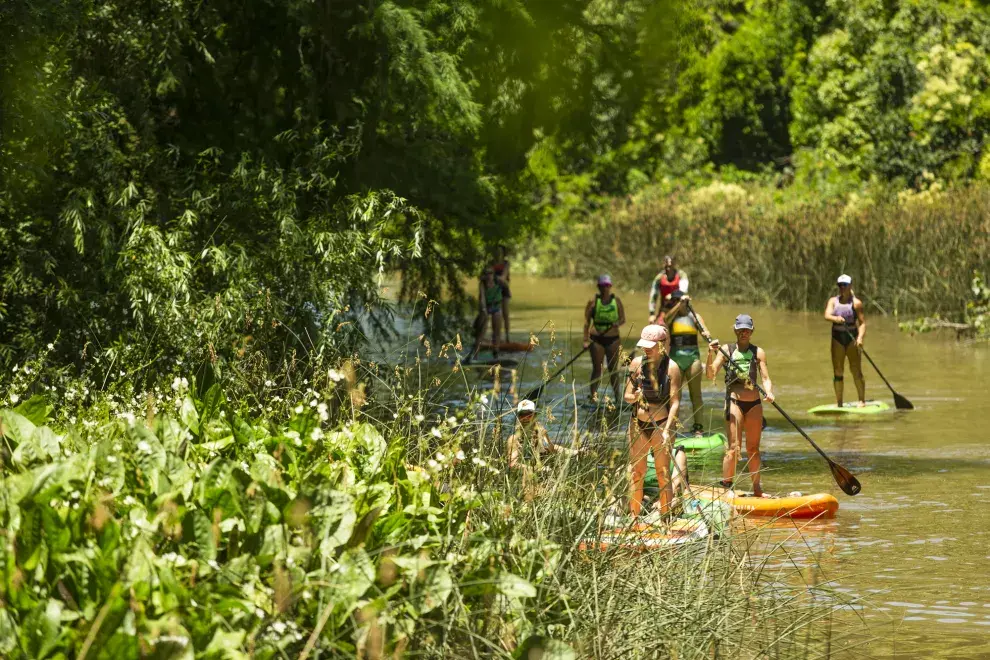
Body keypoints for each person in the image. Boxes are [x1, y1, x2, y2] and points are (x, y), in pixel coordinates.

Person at [705, 314, 775, 497]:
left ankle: (757, 488)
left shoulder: (758, 352)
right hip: (734, 401)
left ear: (752, 331)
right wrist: (709, 353)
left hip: (754, 404)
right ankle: (727, 487)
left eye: (747, 330)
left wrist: (769, 392)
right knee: (734, 447)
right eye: (741, 330)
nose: (744, 333)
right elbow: (710, 374)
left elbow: (766, 379)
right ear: (735, 330)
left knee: (753, 449)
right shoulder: (726, 350)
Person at [624, 324, 682, 516]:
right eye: (644, 346)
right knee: (637, 473)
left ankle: (665, 520)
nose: (646, 349)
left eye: (651, 346)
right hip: (637, 423)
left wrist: (667, 430)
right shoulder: (636, 364)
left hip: (662, 424)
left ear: (662, 344)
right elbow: (626, 396)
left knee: (662, 473)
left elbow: (675, 402)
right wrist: (636, 396)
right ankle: (634, 519)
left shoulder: (672, 367)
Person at [663, 289, 710, 433]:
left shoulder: (694, 316)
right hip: (676, 360)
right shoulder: (672, 316)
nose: (679, 303)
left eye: (681, 301)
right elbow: (665, 319)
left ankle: (698, 428)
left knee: (696, 395)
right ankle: (671, 427)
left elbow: (705, 333)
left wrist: (706, 334)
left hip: (693, 359)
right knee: (674, 395)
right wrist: (679, 304)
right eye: (676, 301)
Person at [824, 274, 867, 407]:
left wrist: (860, 338)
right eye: (840, 285)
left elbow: (862, 323)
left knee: (856, 370)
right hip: (837, 338)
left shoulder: (856, 303)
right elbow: (827, 315)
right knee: (838, 371)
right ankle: (839, 403)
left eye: (845, 285)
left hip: (852, 338)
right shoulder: (833, 301)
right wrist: (836, 319)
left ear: (850, 286)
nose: (842, 288)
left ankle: (862, 400)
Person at [583, 274, 626, 403]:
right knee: (597, 369)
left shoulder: (617, 301)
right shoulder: (593, 302)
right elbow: (586, 322)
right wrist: (585, 340)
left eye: (607, 285)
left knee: (613, 369)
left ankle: (618, 398)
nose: (605, 288)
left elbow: (623, 319)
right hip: (596, 340)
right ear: (598, 286)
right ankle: (593, 398)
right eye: (602, 286)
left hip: (613, 339)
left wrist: (616, 324)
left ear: (610, 286)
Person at [506, 399, 557, 470]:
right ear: (518, 417)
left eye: (529, 415)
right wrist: (535, 469)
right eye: (522, 415)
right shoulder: (513, 439)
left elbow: (552, 448)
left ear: (535, 415)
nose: (525, 418)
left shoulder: (541, 432)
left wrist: (574, 452)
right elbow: (513, 464)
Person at [467, 267, 503, 363]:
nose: (489, 275)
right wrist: (484, 310)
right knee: (481, 332)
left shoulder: (498, 281)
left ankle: (496, 353)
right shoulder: (482, 284)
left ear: (493, 274)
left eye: (490, 273)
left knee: (496, 332)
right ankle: (475, 355)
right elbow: (482, 298)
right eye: (487, 273)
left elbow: (506, 289)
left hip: (496, 307)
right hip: (486, 307)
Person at [648, 255, 688, 324]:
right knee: (657, 325)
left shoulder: (682, 275)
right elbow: (653, 296)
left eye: (670, 266)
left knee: (697, 317)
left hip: (680, 308)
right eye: (667, 266)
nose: (669, 269)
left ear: (674, 265)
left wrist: (672, 295)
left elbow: (683, 290)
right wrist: (652, 314)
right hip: (665, 309)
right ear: (664, 265)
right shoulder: (659, 278)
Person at [491, 245, 512, 340]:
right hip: (494, 291)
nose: (498, 254)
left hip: (504, 290)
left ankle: (507, 337)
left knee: (505, 314)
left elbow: (503, 278)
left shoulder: (506, 263)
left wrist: (492, 277)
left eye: (500, 252)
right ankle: (495, 337)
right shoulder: (491, 263)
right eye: (497, 252)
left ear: (503, 253)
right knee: (494, 314)